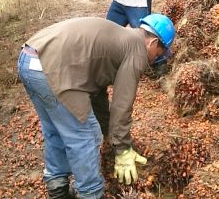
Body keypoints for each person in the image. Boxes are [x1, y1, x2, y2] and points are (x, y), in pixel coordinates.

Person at [15, 13, 176, 199]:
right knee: (86, 134)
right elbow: (122, 104)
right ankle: (90, 194)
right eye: (160, 54)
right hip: (50, 68)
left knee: (56, 130)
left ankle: (57, 190)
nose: (157, 59)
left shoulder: (121, 38)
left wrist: (109, 134)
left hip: (29, 58)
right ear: (153, 43)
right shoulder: (137, 50)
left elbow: (96, 93)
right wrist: (122, 150)